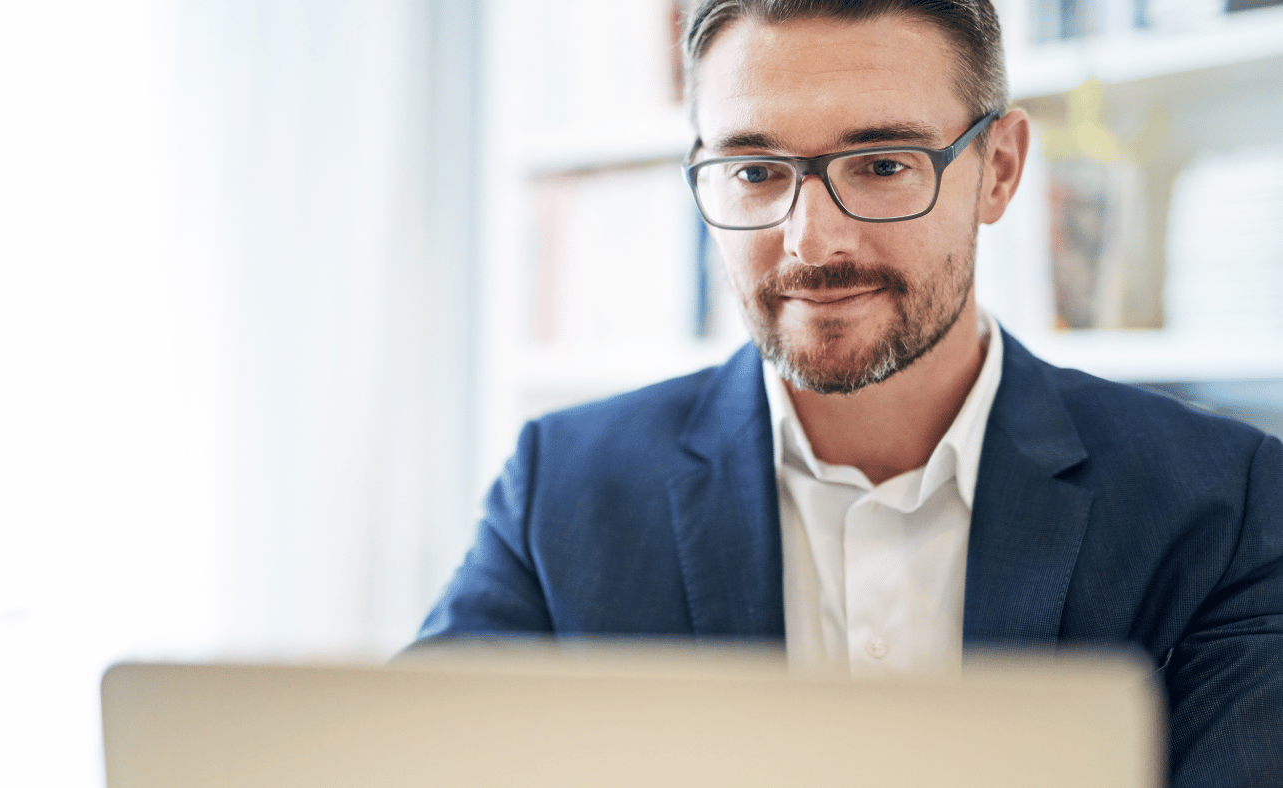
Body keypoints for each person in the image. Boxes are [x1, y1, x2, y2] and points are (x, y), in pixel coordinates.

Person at [417, 1, 1283, 784]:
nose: (811, 240)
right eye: (755, 172)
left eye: (880, 164)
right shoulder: (562, 490)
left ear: (1000, 169)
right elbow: (408, 756)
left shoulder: (1226, 503)